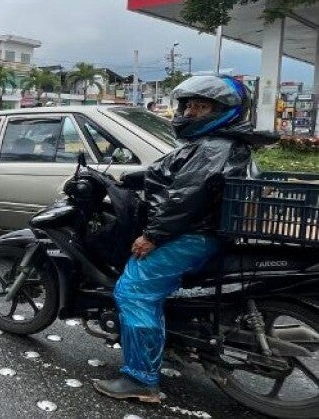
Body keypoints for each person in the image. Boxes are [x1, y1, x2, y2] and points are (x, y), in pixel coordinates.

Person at [93, 76, 276, 402]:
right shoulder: (219, 144)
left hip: (190, 236)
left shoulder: (213, 148)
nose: (190, 112)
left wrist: (152, 236)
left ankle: (140, 380)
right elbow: (176, 179)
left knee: (133, 291)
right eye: (188, 105)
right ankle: (170, 344)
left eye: (200, 106)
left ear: (223, 111)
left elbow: (185, 198)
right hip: (203, 234)